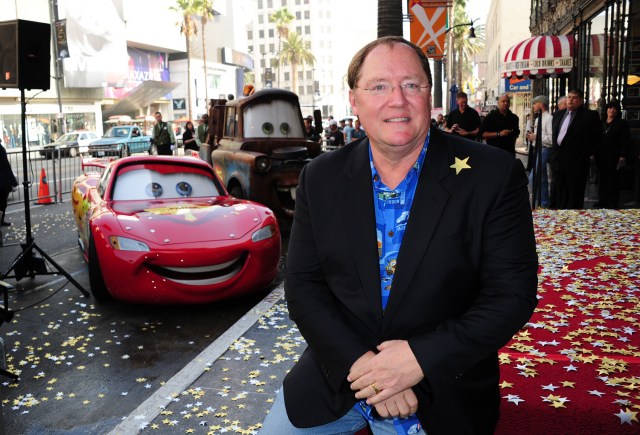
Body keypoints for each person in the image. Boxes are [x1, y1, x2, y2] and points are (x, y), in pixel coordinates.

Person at [260, 36, 538, 434]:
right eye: (379, 86)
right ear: (354, 101)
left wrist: (417, 361)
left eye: (411, 84)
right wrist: (367, 372)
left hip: (443, 381)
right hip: (340, 372)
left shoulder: (493, 175)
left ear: (429, 95)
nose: (397, 100)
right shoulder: (320, 177)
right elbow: (304, 287)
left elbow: (512, 295)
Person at [551, 89, 602, 209]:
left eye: (574, 98)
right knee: (559, 194)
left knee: (574, 195)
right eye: (569, 97)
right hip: (559, 161)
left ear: (580, 100)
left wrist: (591, 153)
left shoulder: (589, 115)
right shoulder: (558, 114)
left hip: (577, 162)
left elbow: (597, 137)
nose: (570, 100)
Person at [594, 101, 630, 208]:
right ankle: (602, 200)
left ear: (618, 111)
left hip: (614, 155)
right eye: (610, 108)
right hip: (601, 155)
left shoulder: (621, 123)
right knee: (602, 179)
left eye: (614, 109)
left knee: (613, 180)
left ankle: (613, 201)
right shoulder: (602, 123)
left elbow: (625, 140)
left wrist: (623, 154)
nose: (612, 110)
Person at [526, 95, 553, 208]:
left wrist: (536, 137)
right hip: (537, 149)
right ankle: (543, 202)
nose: (533, 106)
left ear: (541, 104)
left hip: (545, 149)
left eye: (535, 103)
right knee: (541, 178)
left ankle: (542, 202)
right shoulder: (538, 118)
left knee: (535, 177)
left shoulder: (549, 118)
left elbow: (551, 139)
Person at [0, 138, 19, 226]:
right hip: (2, 182)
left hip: (3, 181)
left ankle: (1, 220)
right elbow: (6, 166)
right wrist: (13, 181)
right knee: (2, 203)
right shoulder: (1, 149)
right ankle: (1, 220)